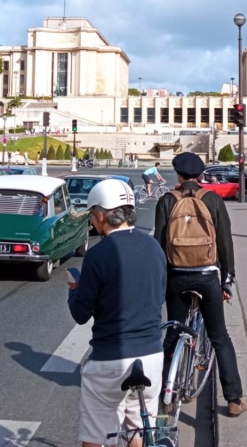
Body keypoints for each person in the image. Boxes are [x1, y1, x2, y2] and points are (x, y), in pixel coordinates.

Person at [67, 178, 166, 447]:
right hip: (151, 356)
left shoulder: (98, 255)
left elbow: (80, 313)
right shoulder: (154, 247)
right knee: (137, 429)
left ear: (101, 214)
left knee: (96, 436)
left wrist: (73, 290)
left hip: (111, 358)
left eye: (92, 215)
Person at [154, 152, 246, 418]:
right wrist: (227, 278)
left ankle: (163, 390)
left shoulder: (167, 201)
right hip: (207, 277)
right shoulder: (213, 200)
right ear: (201, 175)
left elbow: (160, 245)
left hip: (176, 276)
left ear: (178, 175)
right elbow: (225, 243)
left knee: (173, 333)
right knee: (220, 337)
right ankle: (234, 399)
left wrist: (163, 280)